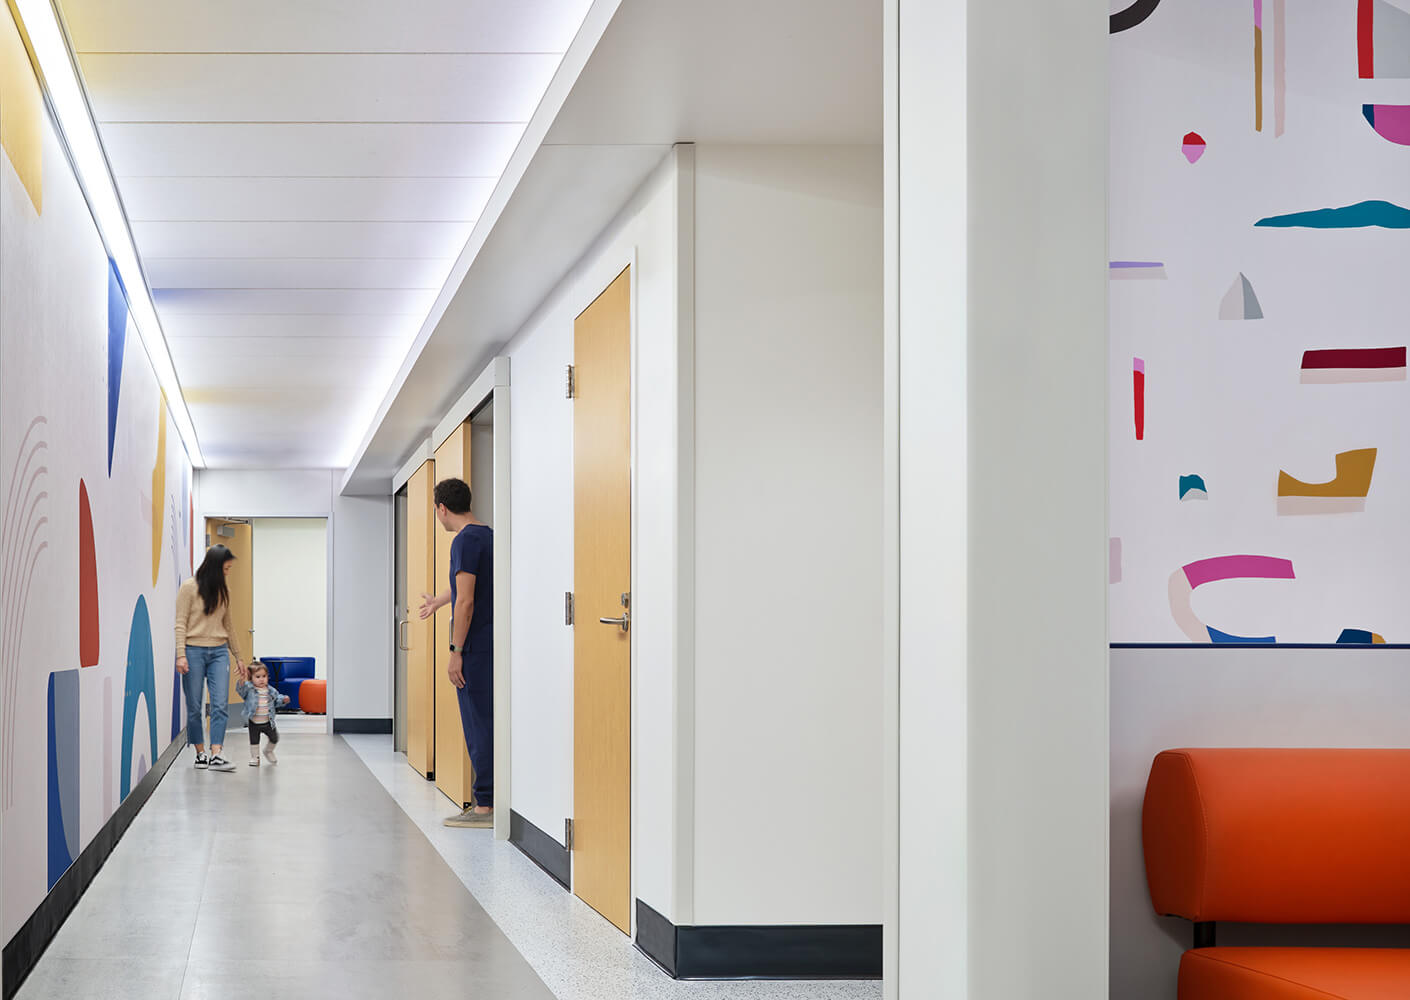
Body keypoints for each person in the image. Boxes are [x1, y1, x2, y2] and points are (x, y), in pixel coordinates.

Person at [420, 477, 494, 828]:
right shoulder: (488, 535)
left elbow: (466, 601)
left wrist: (455, 651)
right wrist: (439, 600)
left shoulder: (463, 541)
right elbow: (471, 587)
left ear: (442, 508)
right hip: (493, 645)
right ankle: (491, 800)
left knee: (478, 724)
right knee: (489, 721)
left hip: (475, 648)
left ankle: (485, 807)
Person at [176, 545, 247, 772]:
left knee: (220, 704)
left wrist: (239, 657)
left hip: (219, 652)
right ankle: (200, 753)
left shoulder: (223, 590)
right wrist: (181, 654)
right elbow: (180, 623)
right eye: (225, 569)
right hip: (193, 651)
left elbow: (229, 625)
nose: (227, 573)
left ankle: (217, 753)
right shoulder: (188, 588)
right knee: (194, 706)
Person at [236, 662, 289, 766]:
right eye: (258, 677)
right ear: (251, 678)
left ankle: (268, 751)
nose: (261, 679)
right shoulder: (249, 689)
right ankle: (255, 757)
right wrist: (242, 680)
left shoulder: (270, 690)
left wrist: (283, 700)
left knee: (274, 738)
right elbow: (241, 690)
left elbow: (277, 699)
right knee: (254, 741)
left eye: (264, 676)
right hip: (253, 721)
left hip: (268, 722)